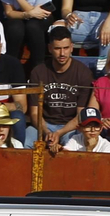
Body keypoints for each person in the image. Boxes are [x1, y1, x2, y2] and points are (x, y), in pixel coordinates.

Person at [30, 24, 95, 155]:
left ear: (72, 47)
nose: (62, 53)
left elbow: (80, 115)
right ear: (50, 48)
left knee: (73, 146)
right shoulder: (38, 72)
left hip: (71, 127)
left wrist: (59, 133)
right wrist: (47, 132)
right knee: (26, 141)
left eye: (65, 48)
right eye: (57, 48)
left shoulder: (83, 73)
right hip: (44, 124)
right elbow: (35, 113)